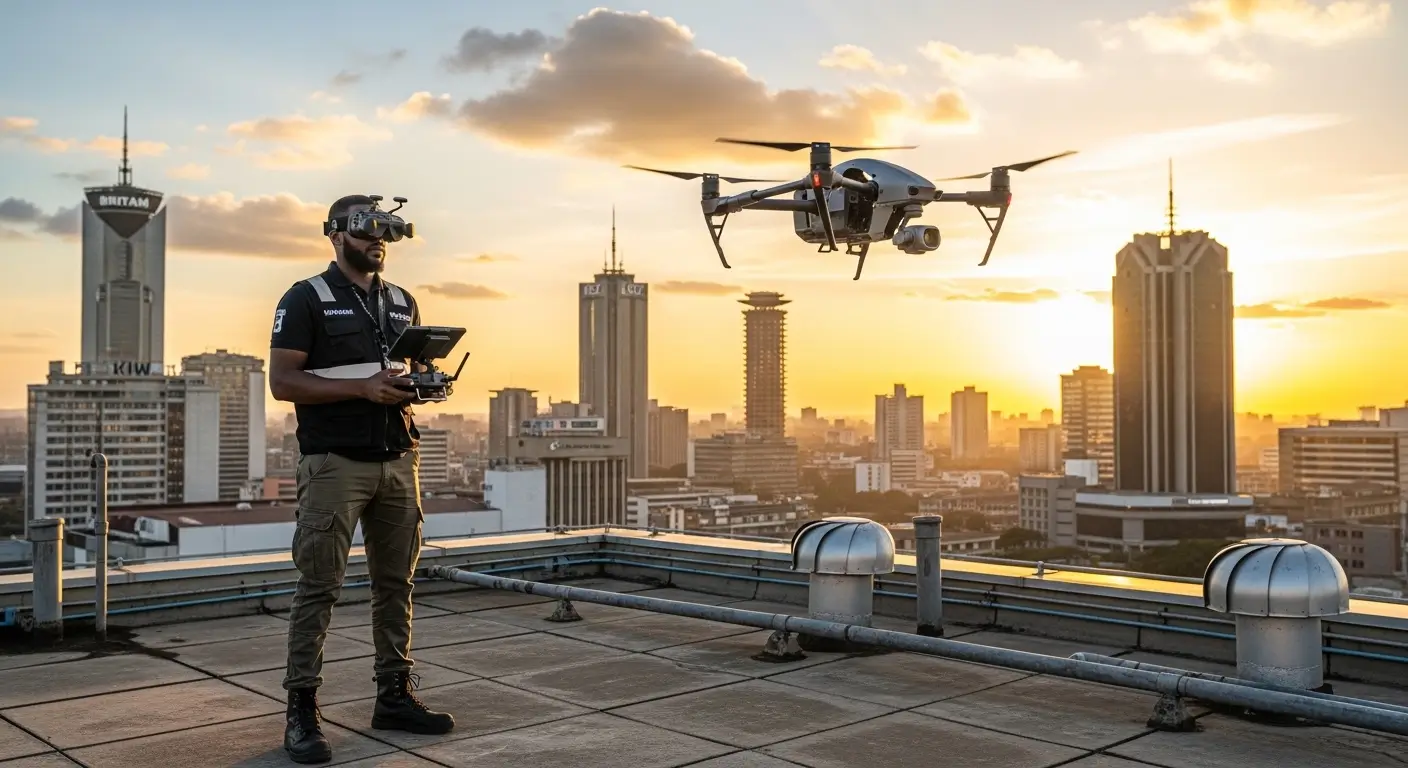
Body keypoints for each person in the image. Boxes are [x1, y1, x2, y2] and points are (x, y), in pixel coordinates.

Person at [269, 194, 454, 764]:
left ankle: (393, 695)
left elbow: (397, 375)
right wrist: (363, 389)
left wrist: (423, 380)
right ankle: (302, 709)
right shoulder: (305, 298)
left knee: (396, 584)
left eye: (387, 232)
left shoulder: (401, 301)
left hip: (399, 457)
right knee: (320, 586)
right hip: (333, 463)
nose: (379, 241)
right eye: (367, 230)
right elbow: (283, 382)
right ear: (334, 234)